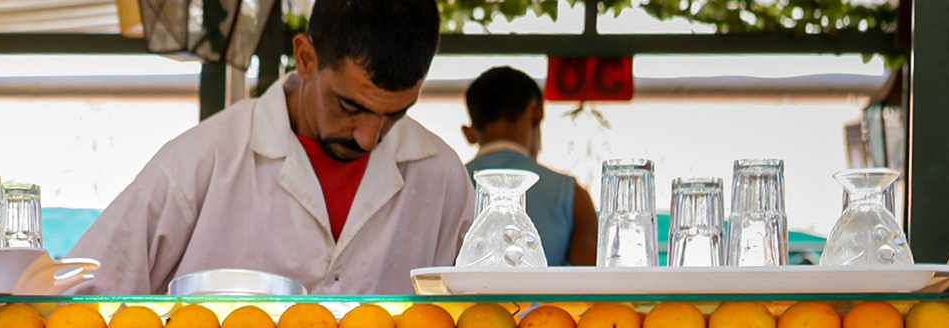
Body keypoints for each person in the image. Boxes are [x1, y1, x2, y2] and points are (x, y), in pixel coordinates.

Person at [65, 0, 474, 295]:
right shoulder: (203, 159)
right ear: (306, 58)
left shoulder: (441, 175)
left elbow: (492, 315)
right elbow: (83, 299)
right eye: (350, 107)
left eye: (395, 115)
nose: (368, 137)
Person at [461, 66, 597, 266]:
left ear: (469, 133)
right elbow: (591, 288)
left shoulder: (447, 185)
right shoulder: (572, 196)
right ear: (537, 112)